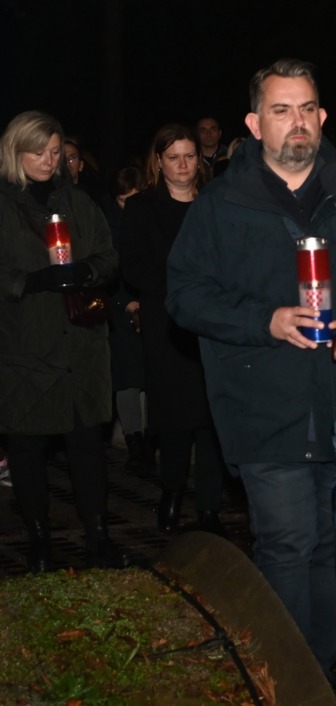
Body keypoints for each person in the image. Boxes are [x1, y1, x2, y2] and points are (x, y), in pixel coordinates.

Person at [166, 58, 336, 675]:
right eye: (281, 110)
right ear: (255, 124)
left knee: (334, 543)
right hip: (265, 402)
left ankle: (325, 670)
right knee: (287, 542)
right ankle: (291, 677)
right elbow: (185, 295)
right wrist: (266, 320)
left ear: (323, 116)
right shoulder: (221, 205)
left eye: (307, 108)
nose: (297, 122)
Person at [0, 110, 127, 571]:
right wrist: (32, 281)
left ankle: (98, 536)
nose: (49, 161)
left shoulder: (77, 201)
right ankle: (39, 540)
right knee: (28, 448)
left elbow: (109, 256)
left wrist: (86, 271)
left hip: (80, 345)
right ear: (15, 152)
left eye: (55, 152)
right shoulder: (5, 205)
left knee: (87, 445)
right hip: (26, 346)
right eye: (38, 152)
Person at [121, 124, 226, 535]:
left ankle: (209, 507)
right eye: (173, 157)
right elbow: (134, 266)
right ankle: (172, 492)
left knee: (212, 416)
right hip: (167, 325)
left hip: (213, 323)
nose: (183, 165)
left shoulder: (215, 202)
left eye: (189, 156)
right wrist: (184, 284)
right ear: (158, 162)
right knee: (175, 415)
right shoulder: (142, 207)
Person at [104, 165, 153, 475]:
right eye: (123, 200)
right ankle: (134, 442)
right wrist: (124, 303)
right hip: (121, 310)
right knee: (127, 379)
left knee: (148, 378)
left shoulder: (150, 220)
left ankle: (147, 442)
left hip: (151, 306)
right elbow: (106, 270)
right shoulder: (109, 225)